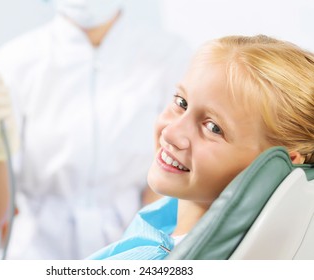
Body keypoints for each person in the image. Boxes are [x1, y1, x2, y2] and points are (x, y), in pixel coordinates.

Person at [0, 0, 190, 259]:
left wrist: (144, 255)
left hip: (130, 252)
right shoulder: (14, 63)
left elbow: (168, 188)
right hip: (35, 256)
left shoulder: (170, 56)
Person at [87, 34, 314, 260]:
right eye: (181, 103)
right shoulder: (166, 221)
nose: (171, 133)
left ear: (281, 162)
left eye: (213, 128)